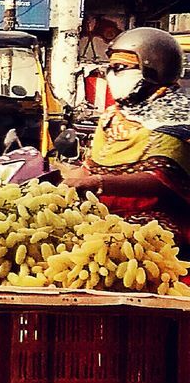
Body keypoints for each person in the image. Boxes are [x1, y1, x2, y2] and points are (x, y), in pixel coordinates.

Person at [63, 27, 190, 247]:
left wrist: (99, 183)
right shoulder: (112, 115)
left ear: (153, 70)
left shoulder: (179, 116)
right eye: (109, 69)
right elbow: (91, 166)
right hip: (103, 215)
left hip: (157, 223)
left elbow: (161, 179)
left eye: (120, 68)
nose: (111, 76)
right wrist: (64, 184)